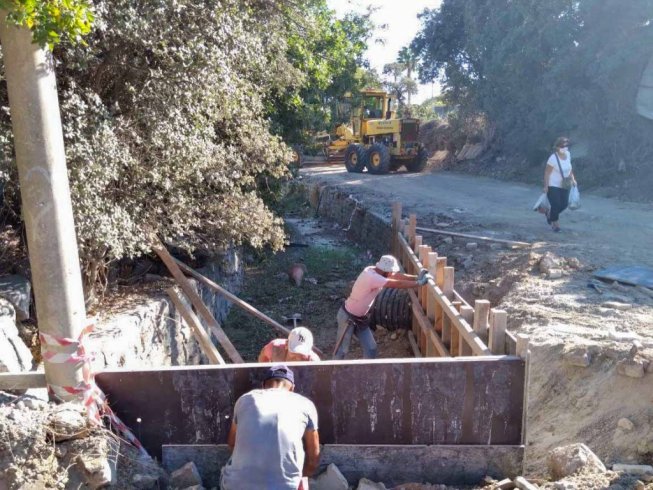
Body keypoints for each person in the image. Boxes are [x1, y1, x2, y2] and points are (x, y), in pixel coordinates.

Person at [220, 365, 320, 490]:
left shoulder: (244, 400)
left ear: (263, 386)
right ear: (292, 388)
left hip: (237, 486)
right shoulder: (306, 404)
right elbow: (313, 457)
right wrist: (302, 478)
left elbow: (231, 443)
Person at [334, 254, 428, 360]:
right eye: (390, 272)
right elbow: (397, 284)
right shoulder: (372, 277)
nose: (392, 274)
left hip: (360, 319)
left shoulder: (375, 271)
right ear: (385, 270)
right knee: (341, 351)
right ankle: (332, 373)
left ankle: (368, 372)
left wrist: (416, 277)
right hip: (348, 317)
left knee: (371, 349)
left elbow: (395, 277)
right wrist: (418, 283)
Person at [543, 137, 577, 232]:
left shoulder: (568, 154)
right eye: (562, 146)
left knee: (564, 204)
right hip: (553, 184)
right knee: (556, 204)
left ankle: (550, 214)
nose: (564, 148)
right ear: (557, 147)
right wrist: (546, 186)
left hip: (564, 184)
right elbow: (547, 173)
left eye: (566, 146)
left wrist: (573, 179)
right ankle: (555, 224)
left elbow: (569, 168)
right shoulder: (553, 158)